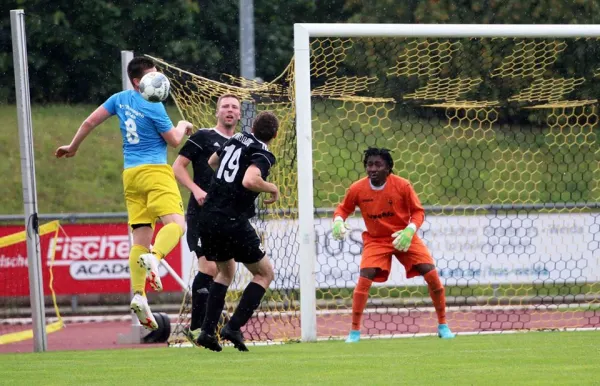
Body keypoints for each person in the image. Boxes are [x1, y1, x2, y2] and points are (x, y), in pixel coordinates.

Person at [55, 56, 193, 331]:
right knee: (177, 225)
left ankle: (140, 295)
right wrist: (183, 125)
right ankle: (156, 257)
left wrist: (73, 146)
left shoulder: (118, 99)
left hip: (130, 176)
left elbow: (89, 122)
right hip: (155, 171)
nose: (157, 81)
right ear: (137, 81)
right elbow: (175, 141)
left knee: (140, 236)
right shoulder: (154, 105)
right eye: (152, 76)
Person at [332, 147, 456, 342]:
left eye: (377, 164)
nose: (372, 168)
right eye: (369, 164)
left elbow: (418, 212)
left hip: (403, 236)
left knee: (431, 273)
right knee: (365, 276)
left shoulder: (402, 186)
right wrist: (338, 221)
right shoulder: (357, 189)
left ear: (388, 168)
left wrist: (410, 230)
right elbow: (343, 209)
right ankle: (354, 332)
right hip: (376, 239)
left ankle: (443, 325)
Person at [195, 111, 280, 352]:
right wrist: (272, 187)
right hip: (231, 219)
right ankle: (233, 327)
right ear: (275, 134)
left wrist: (224, 187)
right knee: (264, 273)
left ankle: (207, 332)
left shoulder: (237, 139)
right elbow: (250, 180)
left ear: (252, 126)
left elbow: (213, 162)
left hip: (209, 215)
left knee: (225, 272)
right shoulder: (263, 152)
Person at [172, 94, 241, 344]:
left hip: (226, 217)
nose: (230, 110)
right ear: (217, 112)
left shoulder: (241, 143)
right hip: (201, 214)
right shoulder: (202, 137)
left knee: (225, 270)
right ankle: (196, 327)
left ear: (240, 114)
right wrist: (196, 189)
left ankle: (210, 326)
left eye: (234, 107)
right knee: (210, 267)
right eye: (225, 106)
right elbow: (177, 167)